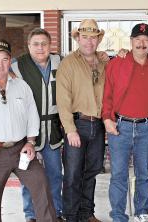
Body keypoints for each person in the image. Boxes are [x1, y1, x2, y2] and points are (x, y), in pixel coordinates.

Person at [0, 28, 65, 222]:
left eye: (44, 44)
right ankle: (31, 215)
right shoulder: (17, 64)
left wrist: (107, 57)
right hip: (25, 129)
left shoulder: (61, 62)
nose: (40, 48)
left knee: (54, 176)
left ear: (50, 46)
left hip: (51, 130)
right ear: (28, 46)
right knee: (28, 177)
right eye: (35, 44)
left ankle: (56, 213)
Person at [102, 23, 148, 222]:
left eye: (146, 40)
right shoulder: (117, 63)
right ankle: (118, 215)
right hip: (120, 126)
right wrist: (107, 119)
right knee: (118, 175)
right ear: (131, 41)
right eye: (138, 39)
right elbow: (107, 93)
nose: (141, 44)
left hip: (147, 126)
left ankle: (142, 213)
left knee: (143, 173)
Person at [56, 19, 106, 222]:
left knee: (92, 172)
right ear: (78, 38)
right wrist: (70, 129)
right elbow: (62, 99)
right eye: (84, 37)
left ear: (98, 40)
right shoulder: (68, 63)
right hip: (78, 124)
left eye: (93, 38)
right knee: (73, 174)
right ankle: (70, 216)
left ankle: (87, 213)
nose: (89, 42)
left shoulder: (104, 62)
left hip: (98, 125)